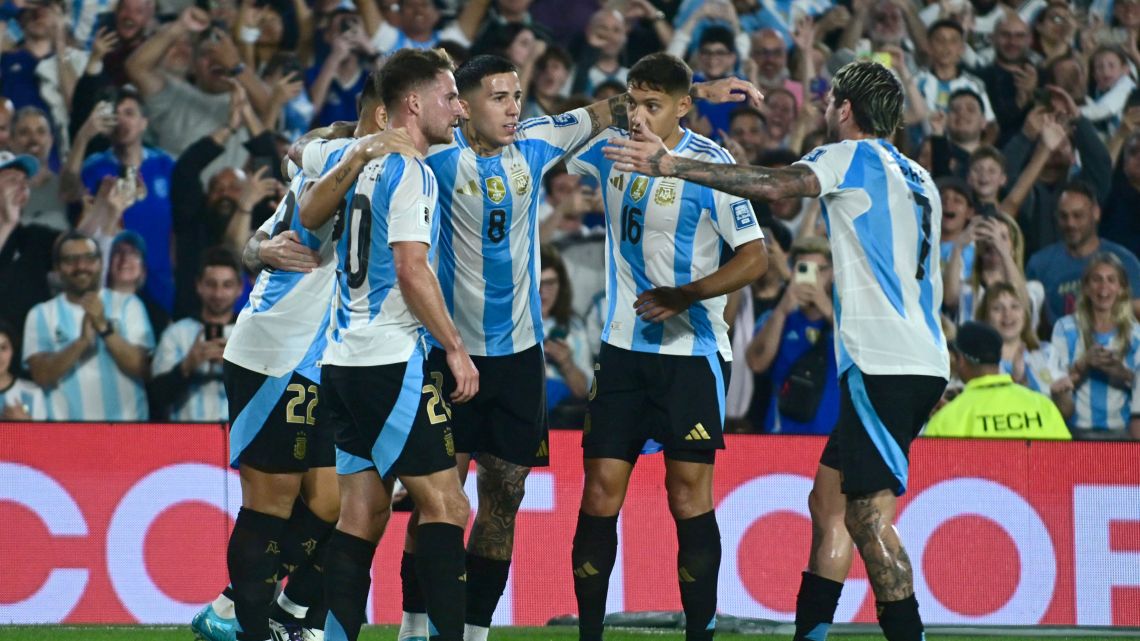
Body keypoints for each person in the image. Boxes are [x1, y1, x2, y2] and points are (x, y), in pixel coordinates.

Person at [299, 51, 758, 641]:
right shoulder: (430, 155)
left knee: (503, 499)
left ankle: (473, 630)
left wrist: (701, 87)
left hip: (519, 361)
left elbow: (608, 110)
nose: (515, 108)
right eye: (499, 97)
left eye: (517, 96)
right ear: (462, 106)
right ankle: (417, 626)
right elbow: (344, 136)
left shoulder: (537, 142)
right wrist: (354, 138)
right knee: (437, 496)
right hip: (449, 352)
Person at [604, 59, 950, 641]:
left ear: (845, 109)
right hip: (918, 357)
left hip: (884, 363)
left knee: (866, 519)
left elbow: (776, 186)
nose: (822, 109)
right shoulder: (920, 177)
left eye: (828, 99)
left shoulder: (849, 155)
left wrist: (670, 165)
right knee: (828, 504)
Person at [567, 52, 768, 641]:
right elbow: (552, 131)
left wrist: (688, 294)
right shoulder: (609, 148)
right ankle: (587, 633)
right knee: (601, 491)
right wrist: (685, 90)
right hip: (623, 351)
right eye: (634, 102)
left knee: (688, 497)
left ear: (684, 108)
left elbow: (756, 256)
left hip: (692, 354)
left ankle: (699, 633)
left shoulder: (710, 166)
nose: (638, 117)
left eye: (653, 105)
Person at [197, 101, 415, 641]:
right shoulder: (336, 160)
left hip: (327, 360)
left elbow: (264, 237)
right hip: (279, 352)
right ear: (390, 112)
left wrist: (258, 246)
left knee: (334, 504)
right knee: (269, 505)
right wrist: (258, 248)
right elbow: (271, 232)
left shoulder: (380, 165)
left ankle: (243, 607)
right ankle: (249, 627)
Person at [296, 48, 475, 641]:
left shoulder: (362, 160)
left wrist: (352, 150)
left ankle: (337, 635)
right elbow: (410, 267)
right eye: (450, 97)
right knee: (448, 507)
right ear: (413, 103)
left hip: (341, 360)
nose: (460, 108)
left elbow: (307, 213)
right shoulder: (412, 170)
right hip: (389, 360)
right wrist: (453, 346)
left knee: (363, 513)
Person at [23, 230, 154, 420]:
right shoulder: (41, 314)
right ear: (57, 269)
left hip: (126, 434)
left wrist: (105, 329)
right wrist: (82, 342)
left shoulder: (128, 304)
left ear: (101, 263)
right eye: (70, 260)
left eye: (89, 258)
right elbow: (42, 376)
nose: (81, 266)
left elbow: (144, 369)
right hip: (67, 436)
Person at [747, 235, 839, 435]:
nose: (812, 277)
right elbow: (756, 362)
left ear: (832, 272)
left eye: (819, 270)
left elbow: (864, 358)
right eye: (804, 269)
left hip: (833, 440)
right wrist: (781, 310)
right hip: (783, 436)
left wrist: (827, 309)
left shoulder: (846, 322)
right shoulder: (775, 316)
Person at [925, 321, 1070, 439]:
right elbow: (1067, 462)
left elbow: (930, 471)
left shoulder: (947, 419)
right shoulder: (1043, 406)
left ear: (960, 360)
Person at [1026, 180, 1140, 328]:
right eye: (1063, 216)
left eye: (1078, 215)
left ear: (1096, 213)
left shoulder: (1124, 260)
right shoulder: (1039, 264)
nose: (1070, 223)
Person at [1050, 253, 1140, 440]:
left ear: (1121, 288)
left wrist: (1123, 374)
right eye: (1096, 280)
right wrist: (1082, 365)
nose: (1103, 288)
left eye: (1111, 280)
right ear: (1086, 288)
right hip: (1076, 431)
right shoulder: (1065, 328)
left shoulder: (1136, 334)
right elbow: (1054, 383)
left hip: (1121, 432)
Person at [150, 247, 243, 421]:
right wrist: (188, 365)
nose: (218, 293)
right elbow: (157, 397)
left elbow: (268, 395)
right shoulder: (176, 334)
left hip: (237, 441)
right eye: (211, 284)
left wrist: (235, 368)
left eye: (227, 285)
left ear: (240, 288)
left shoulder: (251, 334)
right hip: (189, 441)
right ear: (199, 286)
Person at [0, 150, 58, 362]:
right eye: (12, 179)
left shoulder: (33, 236)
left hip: (34, 358)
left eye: (25, 180)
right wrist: (7, 223)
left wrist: (105, 208)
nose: (22, 184)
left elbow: (79, 249)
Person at [978, 281, 1061, 395]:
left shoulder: (1047, 353)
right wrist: (1016, 380)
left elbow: (1066, 409)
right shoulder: (977, 363)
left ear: (1025, 315)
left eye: (1015, 306)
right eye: (997, 308)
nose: (1007, 314)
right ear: (985, 317)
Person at [540, 242, 592, 414]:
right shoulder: (510, 325)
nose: (543, 292)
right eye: (538, 284)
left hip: (560, 420)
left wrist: (567, 364)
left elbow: (584, 390)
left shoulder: (573, 326)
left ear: (560, 285)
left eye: (550, 283)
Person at [0, 320, 47, 420]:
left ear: (13, 350)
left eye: (3, 348)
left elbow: (42, 435)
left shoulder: (32, 392)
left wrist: (25, 424)